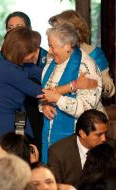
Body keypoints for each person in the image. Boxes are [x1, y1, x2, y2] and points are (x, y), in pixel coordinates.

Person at [0, 11, 47, 152]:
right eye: (32, 50)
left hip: (13, 117)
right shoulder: (9, 70)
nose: (36, 53)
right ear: (21, 51)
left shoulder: (20, 65)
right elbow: (38, 92)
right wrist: (73, 85)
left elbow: (45, 74)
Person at [40, 23, 105, 163]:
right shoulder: (51, 62)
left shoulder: (86, 68)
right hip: (49, 135)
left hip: (77, 139)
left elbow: (87, 110)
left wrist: (58, 99)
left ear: (67, 47)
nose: (49, 51)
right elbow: (43, 93)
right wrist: (44, 105)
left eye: (52, 46)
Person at [48, 10, 115, 98]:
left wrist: (97, 86)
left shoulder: (94, 53)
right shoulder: (53, 53)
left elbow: (109, 87)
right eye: (53, 29)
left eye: (58, 29)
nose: (53, 34)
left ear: (74, 30)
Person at [48, 109, 108, 187]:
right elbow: (56, 186)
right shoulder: (57, 152)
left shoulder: (111, 148)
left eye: (105, 133)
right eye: (99, 135)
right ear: (82, 134)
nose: (104, 139)